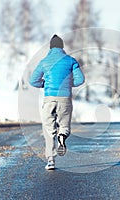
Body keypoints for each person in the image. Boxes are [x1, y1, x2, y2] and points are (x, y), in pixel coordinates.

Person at [29, 34, 85, 170]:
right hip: (64, 98)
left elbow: (33, 81)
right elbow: (80, 80)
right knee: (64, 125)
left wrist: (45, 84)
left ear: (50, 47)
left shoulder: (44, 61)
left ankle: (51, 160)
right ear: (62, 47)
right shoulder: (71, 61)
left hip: (49, 99)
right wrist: (67, 83)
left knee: (48, 130)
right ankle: (62, 135)